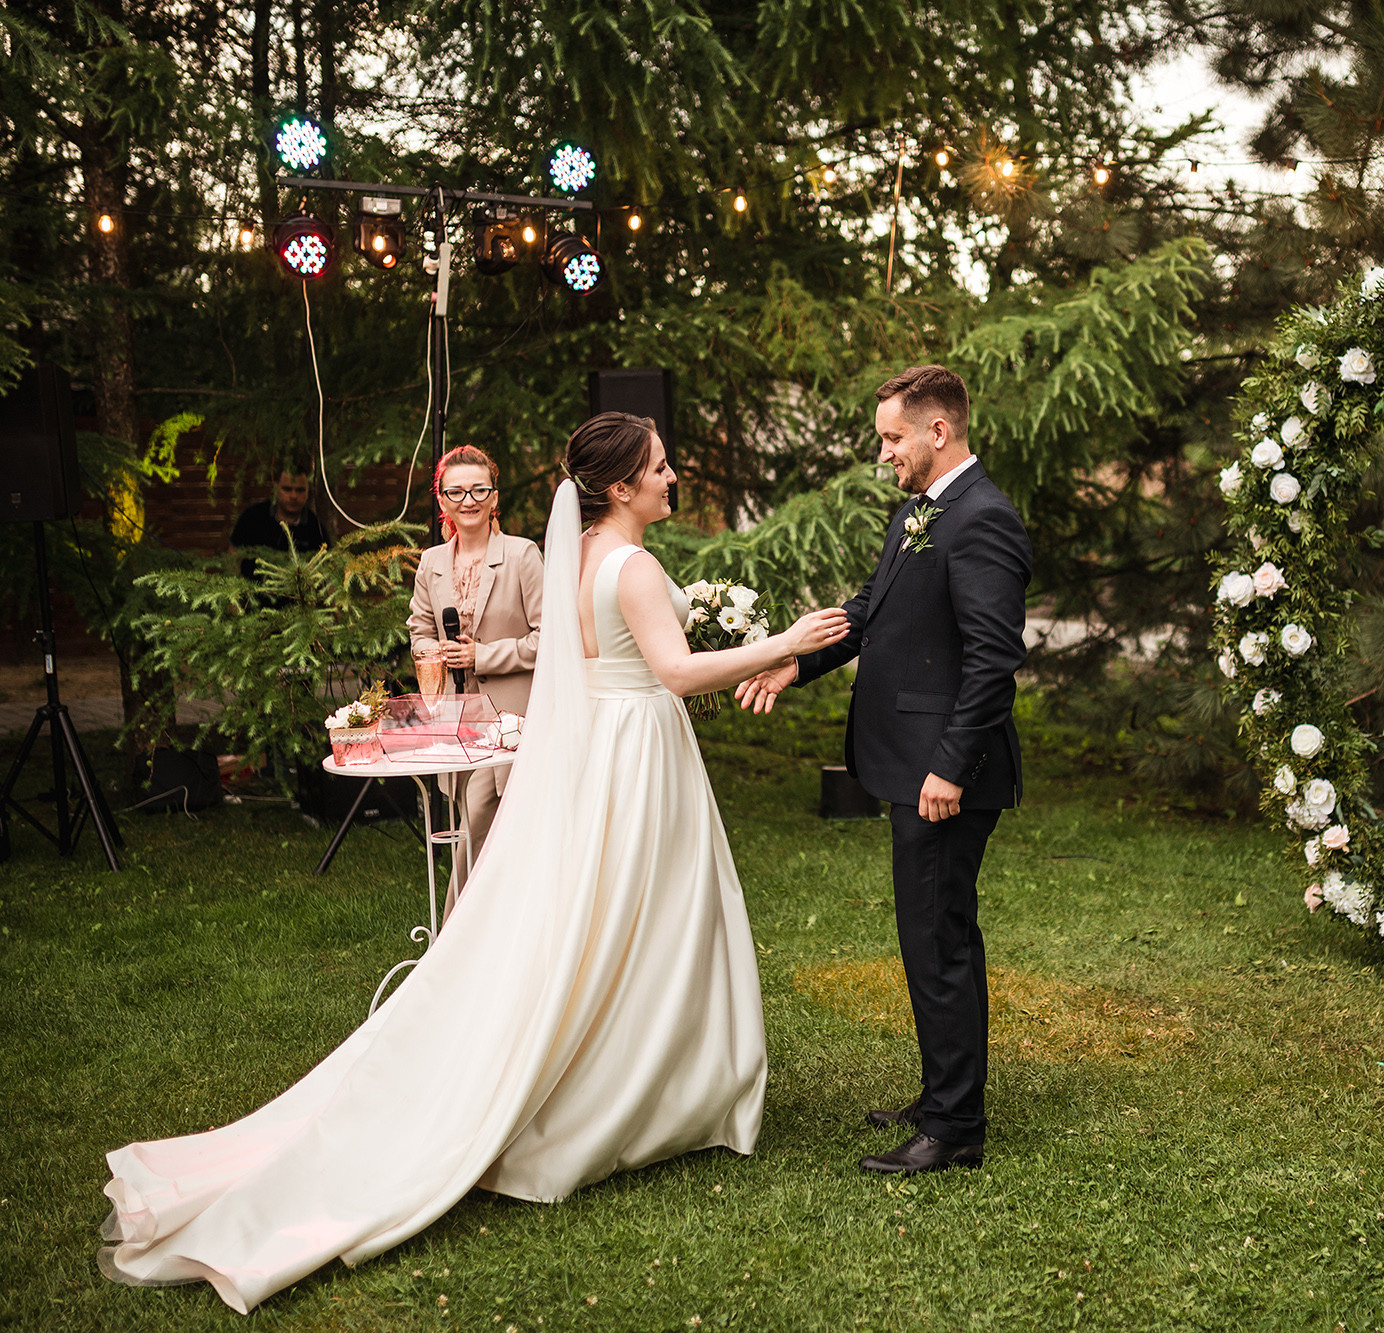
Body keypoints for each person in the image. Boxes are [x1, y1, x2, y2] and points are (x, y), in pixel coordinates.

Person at [96, 412, 851, 1313]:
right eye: (659, 466)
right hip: (640, 743)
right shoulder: (634, 565)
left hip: (607, 744)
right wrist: (786, 644)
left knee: (614, 917)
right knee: (652, 915)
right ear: (620, 487)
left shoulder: (575, 559)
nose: (672, 474)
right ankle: (636, 1092)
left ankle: (648, 1078)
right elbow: (677, 672)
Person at [737, 365, 1032, 1175]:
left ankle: (954, 1128)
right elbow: (870, 610)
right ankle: (947, 1092)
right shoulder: (918, 512)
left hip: (945, 777)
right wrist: (798, 664)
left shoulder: (983, 520)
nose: (884, 452)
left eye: (893, 437)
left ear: (940, 431)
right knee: (937, 936)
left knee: (937, 940)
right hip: (914, 767)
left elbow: (992, 661)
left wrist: (950, 768)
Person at [408, 445, 542, 879]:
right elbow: (420, 629)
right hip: (454, 718)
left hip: (511, 718)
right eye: (457, 491)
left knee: (476, 829)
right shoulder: (430, 563)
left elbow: (550, 638)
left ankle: (452, 934)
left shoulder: (523, 556)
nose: (469, 500)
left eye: (479, 490)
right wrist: (433, 655)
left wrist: (481, 655)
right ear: (442, 500)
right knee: (478, 829)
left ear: (495, 498)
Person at [229, 466, 329, 580]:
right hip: (253, 593)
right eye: (287, 489)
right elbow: (233, 556)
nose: (293, 496)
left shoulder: (315, 527)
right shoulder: (253, 517)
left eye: (300, 490)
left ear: (308, 491)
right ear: (276, 488)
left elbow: (327, 571)